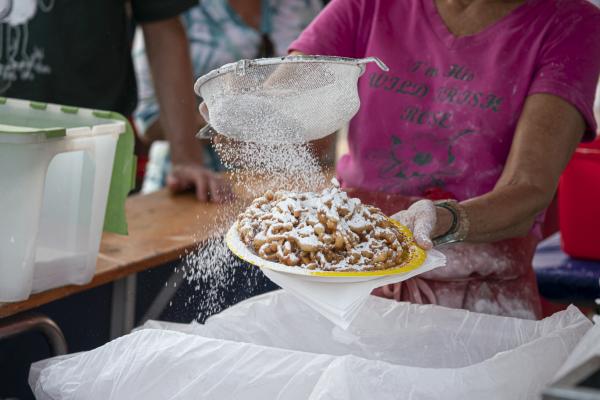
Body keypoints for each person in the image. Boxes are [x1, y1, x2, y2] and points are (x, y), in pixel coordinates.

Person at [289, 0, 600, 319]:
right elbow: (288, 95)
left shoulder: (570, 22)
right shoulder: (370, 5)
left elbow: (528, 186)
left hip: (480, 296)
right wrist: (260, 98)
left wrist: (444, 219)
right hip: (351, 272)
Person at [0, 0, 228, 202]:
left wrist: (185, 158)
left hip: (91, 145)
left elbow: (162, 22)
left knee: (93, 245)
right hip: (7, 138)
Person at [132, 0, 324, 192]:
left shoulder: (301, 6)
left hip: (287, 186)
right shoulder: (172, 11)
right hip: (192, 185)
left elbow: (325, 94)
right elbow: (149, 119)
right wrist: (225, 122)